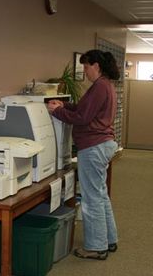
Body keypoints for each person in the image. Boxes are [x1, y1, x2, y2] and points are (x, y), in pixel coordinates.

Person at [47, 50, 119, 260]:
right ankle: (109, 239)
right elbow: (82, 108)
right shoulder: (105, 85)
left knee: (92, 198)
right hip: (102, 144)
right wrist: (64, 105)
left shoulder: (99, 87)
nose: (85, 71)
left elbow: (82, 117)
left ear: (96, 65)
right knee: (100, 194)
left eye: (86, 67)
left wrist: (56, 112)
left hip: (93, 146)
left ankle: (96, 247)